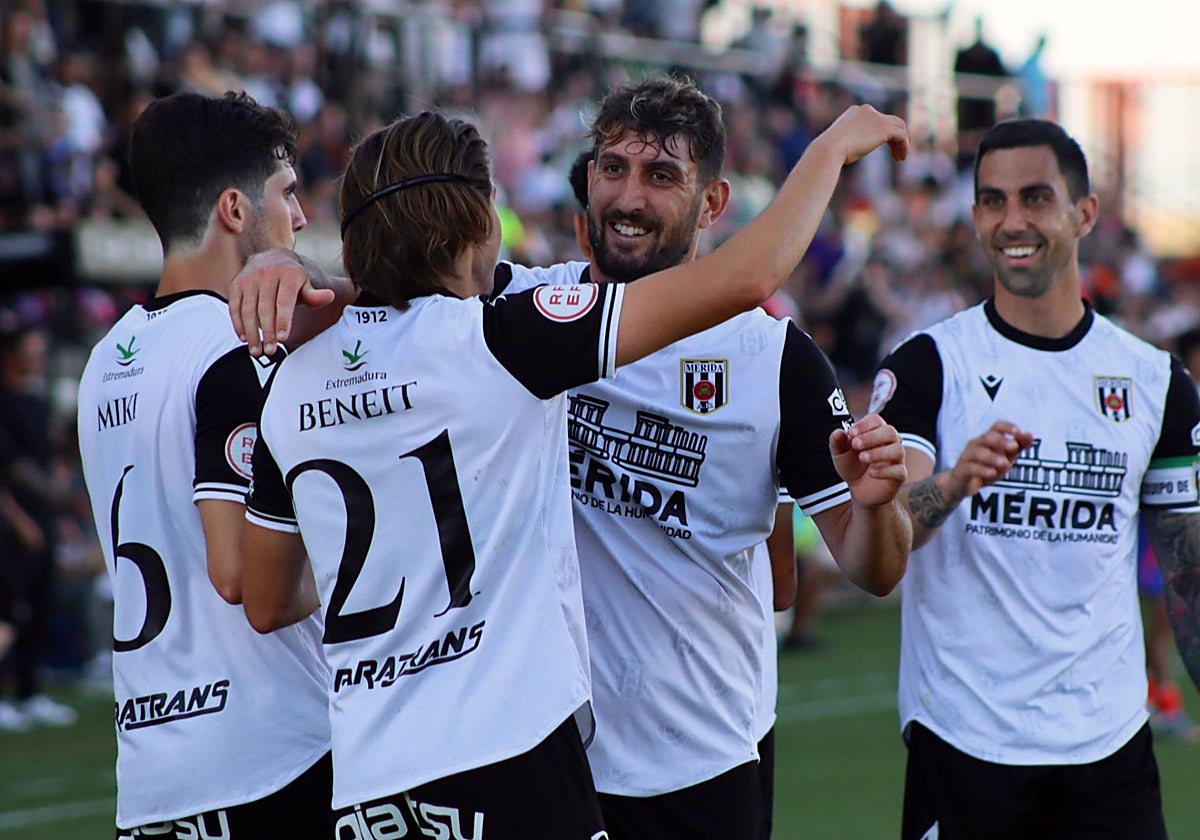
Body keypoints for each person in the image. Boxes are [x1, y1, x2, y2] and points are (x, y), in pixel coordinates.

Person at [233, 78, 914, 839]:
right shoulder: (518, 316)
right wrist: (297, 276)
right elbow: (410, 281)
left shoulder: (774, 360)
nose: (628, 197)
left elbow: (862, 568)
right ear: (586, 177)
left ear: (714, 203)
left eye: (662, 177)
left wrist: (880, 504)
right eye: (612, 168)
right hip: (544, 759)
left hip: (695, 765)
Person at [867, 117, 1200, 839]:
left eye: (1034, 198)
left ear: (1084, 214)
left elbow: (1188, 575)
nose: (1010, 221)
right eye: (991, 201)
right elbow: (885, 546)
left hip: (1109, 753)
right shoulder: (928, 365)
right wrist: (954, 483)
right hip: (965, 746)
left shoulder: (1156, 382)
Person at [75, 91, 333, 838]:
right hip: (269, 759)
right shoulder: (233, 348)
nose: (302, 219)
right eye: (287, 195)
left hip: (153, 773)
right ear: (233, 208)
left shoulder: (105, 362)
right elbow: (245, 578)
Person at [0, 322, 78, 730]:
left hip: (42, 520)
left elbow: (52, 458)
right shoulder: (5, 402)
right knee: (10, 611)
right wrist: (20, 519)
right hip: (12, 527)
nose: (38, 356)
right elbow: (11, 470)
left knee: (41, 606)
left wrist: (58, 511)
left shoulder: (38, 400)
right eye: (31, 348)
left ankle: (30, 692)